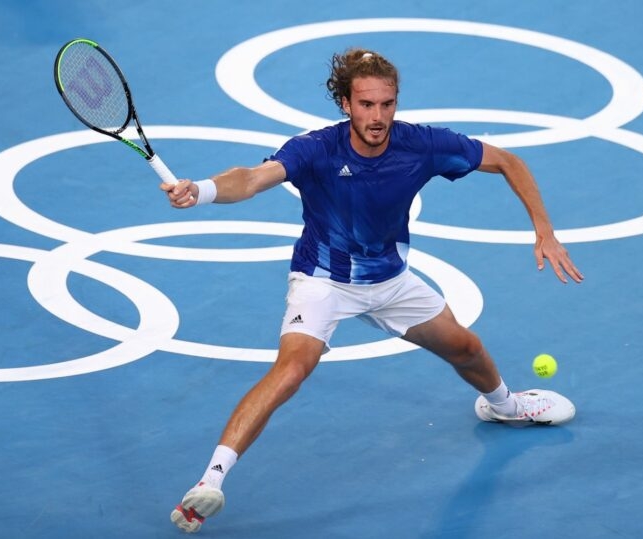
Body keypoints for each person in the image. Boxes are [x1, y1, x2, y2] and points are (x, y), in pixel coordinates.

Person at [161, 48, 584, 533]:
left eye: (387, 104)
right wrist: (205, 190)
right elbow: (253, 179)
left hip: (388, 280)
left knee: (466, 347)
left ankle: (506, 406)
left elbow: (508, 161)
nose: (378, 116)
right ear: (345, 103)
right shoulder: (316, 148)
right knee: (292, 369)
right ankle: (210, 481)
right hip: (322, 280)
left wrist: (544, 231)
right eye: (366, 104)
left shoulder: (421, 145)